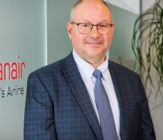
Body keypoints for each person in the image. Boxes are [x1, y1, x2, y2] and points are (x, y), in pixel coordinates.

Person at [24, 0, 156, 139]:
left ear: (112, 29)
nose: (95, 34)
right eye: (85, 25)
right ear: (70, 30)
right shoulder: (43, 82)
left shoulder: (132, 80)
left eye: (102, 25)